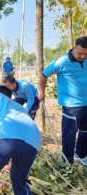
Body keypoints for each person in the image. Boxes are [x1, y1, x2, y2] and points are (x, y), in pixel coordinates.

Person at [38, 36, 87, 165]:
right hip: (72, 106)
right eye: (80, 53)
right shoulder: (62, 62)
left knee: (85, 131)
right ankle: (67, 161)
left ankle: (81, 155)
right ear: (74, 48)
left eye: (86, 54)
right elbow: (44, 75)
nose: (82, 56)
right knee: (69, 135)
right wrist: (41, 92)